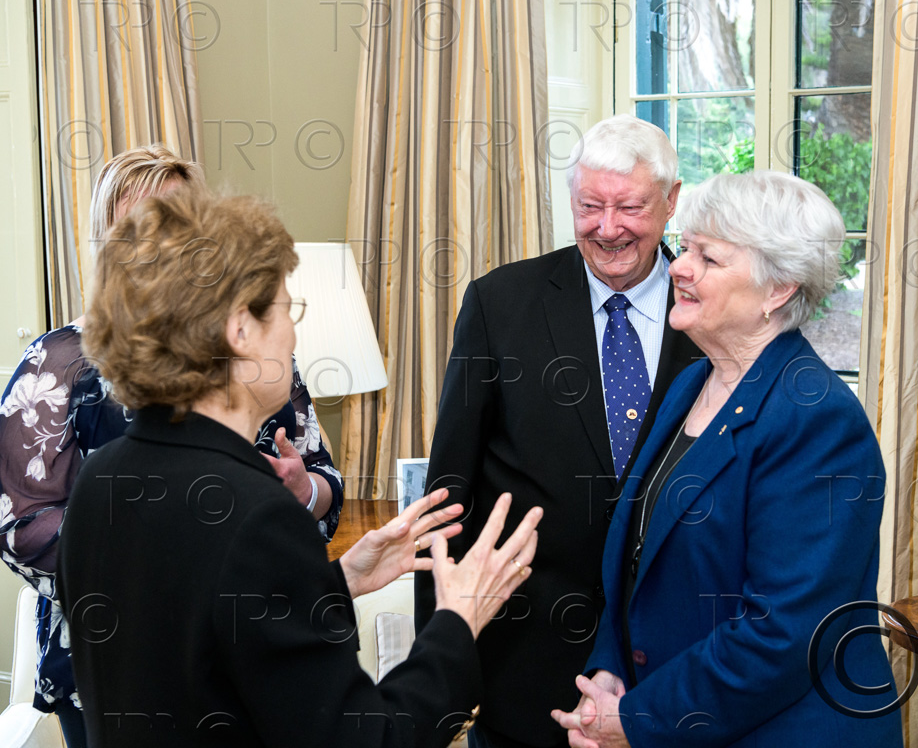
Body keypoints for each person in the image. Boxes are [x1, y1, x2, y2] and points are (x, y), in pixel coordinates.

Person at [57, 187, 543, 747]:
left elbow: (195, 647)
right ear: (240, 330)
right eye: (288, 309)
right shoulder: (257, 515)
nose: (293, 333)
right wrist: (458, 621)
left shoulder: (101, 479)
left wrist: (339, 582)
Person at [0, 145, 343, 746]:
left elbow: (324, 482)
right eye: (146, 224)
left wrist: (305, 490)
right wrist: (164, 563)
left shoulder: (255, 352)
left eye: (182, 220)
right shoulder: (58, 362)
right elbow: (18, 522)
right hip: (106, 656)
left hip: (244, 647)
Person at [552, 170, 902, 748]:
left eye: (708, 258)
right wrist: (611, 671)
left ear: (777, 289)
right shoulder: (692, 383)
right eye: (686, 247)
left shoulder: (816, 418)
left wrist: (638, 719)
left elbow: (783, 634)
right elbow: (639, 558)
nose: (679, 267)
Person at [414, 115, 699, 748]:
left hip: (676, 669)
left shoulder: (712, 313)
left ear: (672, 200)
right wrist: (438, 662)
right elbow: (448, 491)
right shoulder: (499, 304)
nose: (608, 228)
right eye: (590, 206)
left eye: (630, 207)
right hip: (523, 662)